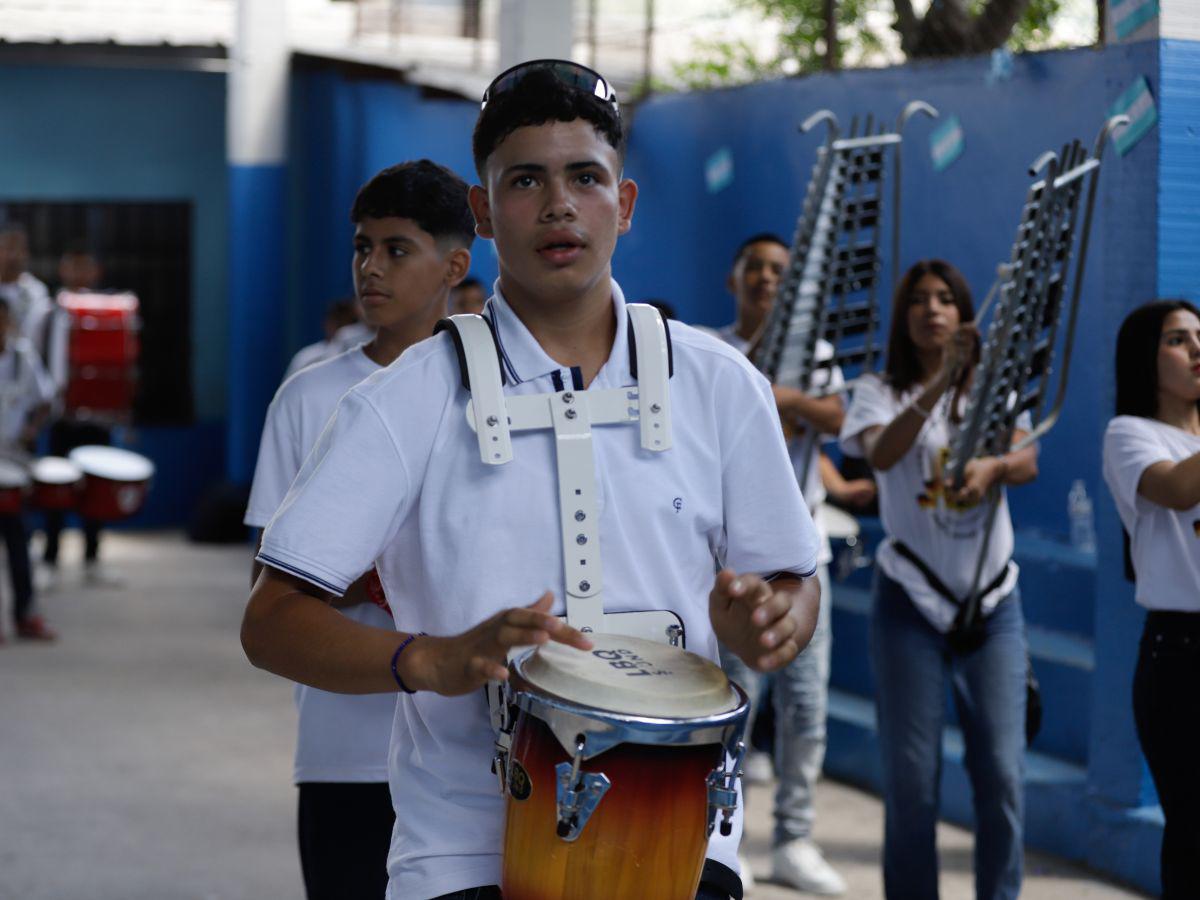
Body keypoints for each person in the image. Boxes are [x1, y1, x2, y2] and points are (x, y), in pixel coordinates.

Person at [242, 59, 821, 900]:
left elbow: (793, 581)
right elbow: (271, 622)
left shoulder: (720, 383)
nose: (559, 205)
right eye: (526, 179)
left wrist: (774, 622)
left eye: (586, 177)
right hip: (467, 861)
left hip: (681, 844)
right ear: (481, 213)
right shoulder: (404, 400)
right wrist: (429, 659)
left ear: (622, 204)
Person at [245, 159, 473, 900]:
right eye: (362, 247)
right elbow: (269, 588)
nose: (370, 268)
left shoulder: (496, 393)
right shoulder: (310, 396)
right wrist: (380, 570)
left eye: (396, 249)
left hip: (470, 747)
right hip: (345, 746)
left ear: (455, 266)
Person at [839, 259, 1037, 900]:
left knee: (1003, 773)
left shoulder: (996, 385)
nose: (933, 309)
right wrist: (939, 384)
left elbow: (1027, 457)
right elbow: (880, 452)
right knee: (913, 778)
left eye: (946, 298)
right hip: (910, 600)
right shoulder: (879, 389)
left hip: (993, 599)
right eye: (919, 299)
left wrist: (995, 469)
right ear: (904, 317)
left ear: (964, 312)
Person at [709, 232, 847, 894]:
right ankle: (720, 835)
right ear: (733, 279)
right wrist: (769, 396)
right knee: (734, 705)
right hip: (735, 570)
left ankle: (794, 837)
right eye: (755, 267)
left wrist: (781, 399)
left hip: (805, 566)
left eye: (779, 271)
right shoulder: (711, 354)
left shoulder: (817, 356)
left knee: (806, 709)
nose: (766, 279)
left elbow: (838, 419)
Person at [1102, 299, 1200, 899]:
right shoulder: (1131, 434)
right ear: (1147, 355)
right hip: (1182, 656)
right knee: (1193, 834)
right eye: (1178, 339)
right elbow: (1176, 489)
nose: (1196, 349)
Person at [39, 244, 114, 584]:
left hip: (97, 419)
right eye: (74, 267)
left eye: (87, 267)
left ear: (96, 272)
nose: (81, 274)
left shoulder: (109, 311)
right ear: (63, 272)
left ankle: (92, 559)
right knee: (56, 490)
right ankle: (51, 558)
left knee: (97, 490)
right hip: (61, 417)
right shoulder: (49, 312)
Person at [0, 297, 56, 642]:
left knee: (19, 544)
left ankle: (24, 615)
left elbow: (45, 400)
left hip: (14, 463)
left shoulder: (23, 357)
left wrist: (32, 428)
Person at [283, 298, 362, 381]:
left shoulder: (363, 355)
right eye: (337, 322)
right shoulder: (308, 357)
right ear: (326, 323)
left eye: (346, 323)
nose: (340, 329)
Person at [0, 224, 53, 346]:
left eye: (18, 249)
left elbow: (35, 335)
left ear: (26, 253)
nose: (12, 256)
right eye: (7, 248)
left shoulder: (37, 291)